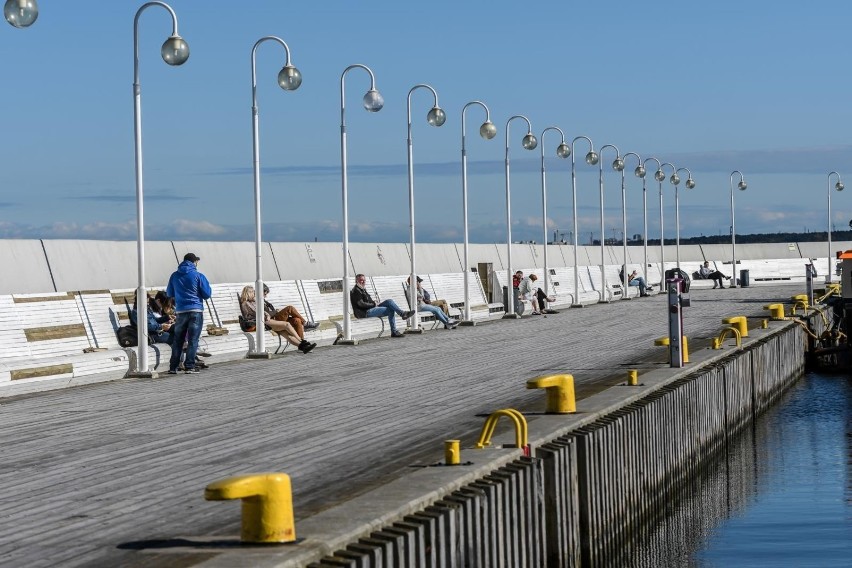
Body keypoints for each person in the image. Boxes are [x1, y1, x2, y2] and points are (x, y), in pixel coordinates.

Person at [166, 253, 212, 374]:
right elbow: (207, 294)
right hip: (196, 310)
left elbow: (169, 293)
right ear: (194, 262)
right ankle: (190, 366)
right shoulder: (198, 276)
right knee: (193, 339)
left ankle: (173, 367)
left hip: (181, 311)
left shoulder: (174, 276)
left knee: (178, 340)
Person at [240, 285, 316, 353]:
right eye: (253, 292)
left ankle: (303, 347)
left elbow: (261, 312)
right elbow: (259, 313)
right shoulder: (246, 303)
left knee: (287, 335)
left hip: (266, 321)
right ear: (249, 293)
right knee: (287, 324)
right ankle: (302, 341)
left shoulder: (252, 302)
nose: (254, 294)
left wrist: (266, 313)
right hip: (264, 322)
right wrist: (267, 314)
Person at [350, 273, 414, 338]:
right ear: (356, 281)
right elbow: (361, 304)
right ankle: (394, 331)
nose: (363, 282)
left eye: (364, 280)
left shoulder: (362, 289)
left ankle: (402, 313)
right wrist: (373, 304)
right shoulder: (356, 291)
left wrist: (374, 302)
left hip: (370, 308)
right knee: (390, 310)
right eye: (361, 280)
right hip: (364, 312)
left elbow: (367, 301)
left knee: (389, 301)